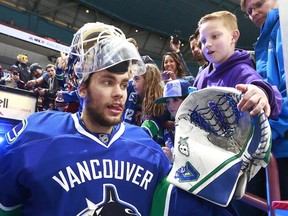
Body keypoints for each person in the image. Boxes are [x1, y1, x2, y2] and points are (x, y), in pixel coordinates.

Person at [0, 22, 238, 216]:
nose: (119, 93)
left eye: (124, 84)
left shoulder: (148, 150)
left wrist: (219, 177)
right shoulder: (32, 138)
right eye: (107, 81)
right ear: (81, 87)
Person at [195, 10, 282, 215]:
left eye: (215, 37)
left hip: (241, 167)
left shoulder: (241, 71)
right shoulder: (201, 77)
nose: (207, 45)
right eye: (203, 40)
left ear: (234, 36)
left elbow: (268, 92)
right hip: (211, 163)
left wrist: (261, 93)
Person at [240, 0, 288, 202]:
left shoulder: (283, 29)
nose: (254, 13)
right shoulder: (266, 38)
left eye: (259, 4)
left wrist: (266, 128)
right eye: (249, 11)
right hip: (274, 144)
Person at [154, 79, 191, 163]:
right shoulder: (167, 128)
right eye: (167, 102)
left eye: (175, 100)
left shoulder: (198, 127)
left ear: (188, 99)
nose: (170, 105)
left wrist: (172, 159)